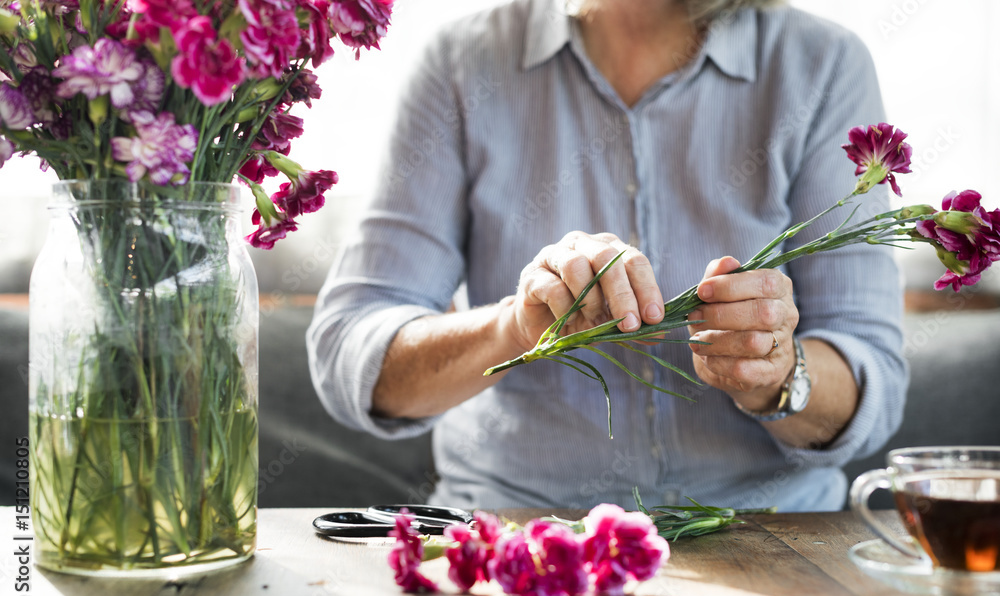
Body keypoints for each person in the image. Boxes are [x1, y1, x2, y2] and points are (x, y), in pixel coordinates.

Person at [306, 0, 907, 511]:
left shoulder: (823, 66)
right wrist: (514, 327)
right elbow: (351, 353)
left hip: (770, 538)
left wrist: (776, 374)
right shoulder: (462, 64)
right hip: (518, 539)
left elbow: (871, 381)